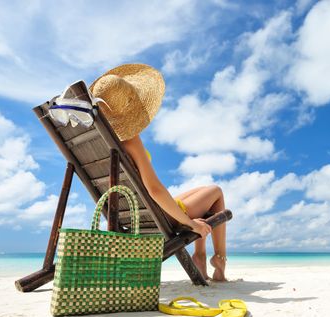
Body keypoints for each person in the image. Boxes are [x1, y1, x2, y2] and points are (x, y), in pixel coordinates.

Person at [90, 63, 228, 281]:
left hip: (137, 212)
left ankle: (201, 257)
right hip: (158, 215)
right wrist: (191, 224)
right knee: (216, 192)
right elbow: (154, 189)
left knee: (203, 190)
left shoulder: (99, 142)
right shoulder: (130, 140)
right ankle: (217, 260)